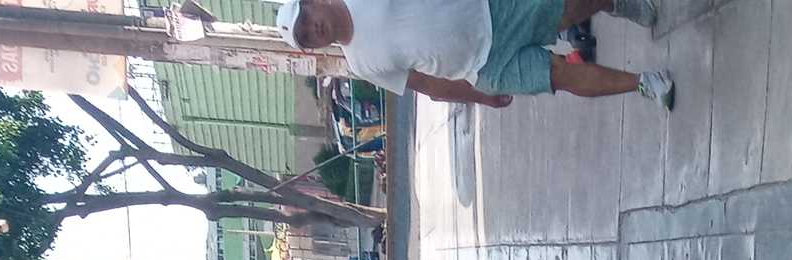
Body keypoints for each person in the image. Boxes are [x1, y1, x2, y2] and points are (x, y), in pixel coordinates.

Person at [279, 0, 676, 113]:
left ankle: (619, 4)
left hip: (493, 10)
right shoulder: (360, 63)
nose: (313, 31)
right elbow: (426, 84)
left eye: (306, 20)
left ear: (313, 3)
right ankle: (645, 83)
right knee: (560, 76)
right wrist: (480, 96)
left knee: (569, 8)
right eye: (305, 37)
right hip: (485, 68)